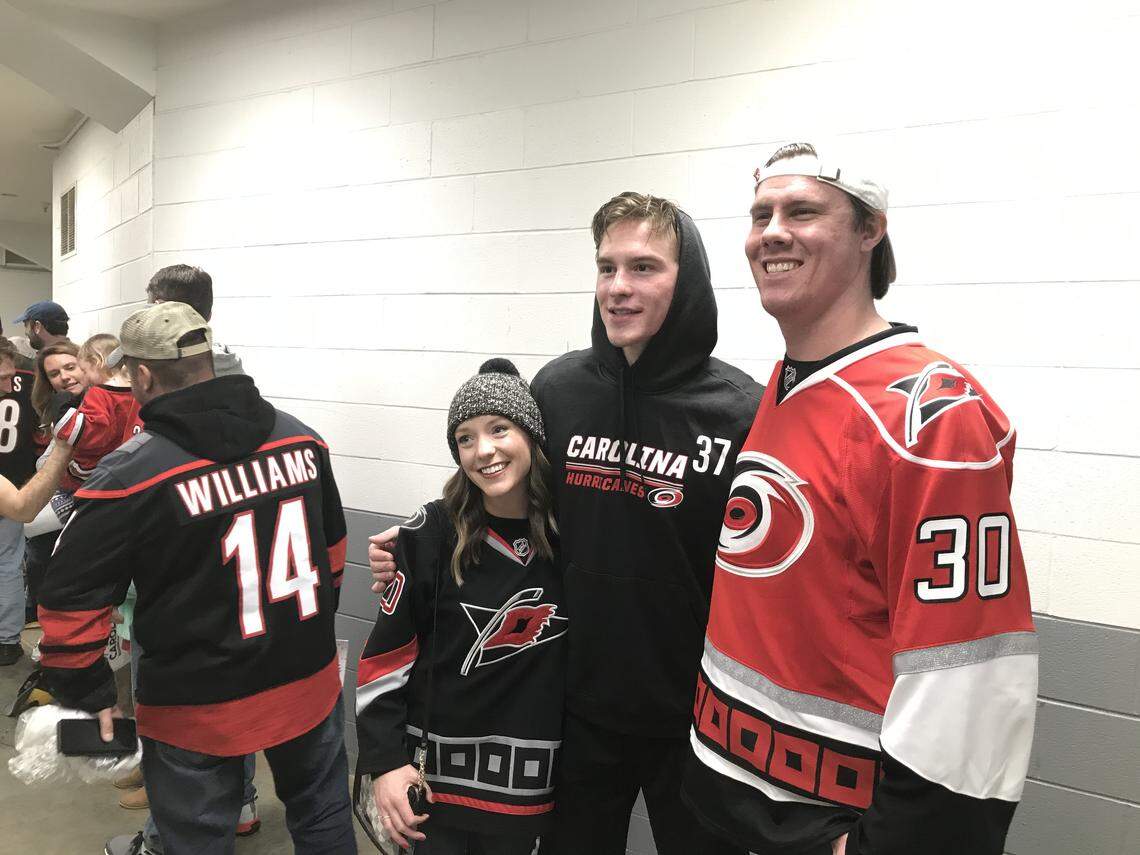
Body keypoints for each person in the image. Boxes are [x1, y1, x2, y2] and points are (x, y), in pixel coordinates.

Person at [373, 193, 763, 855]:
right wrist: (417, 543)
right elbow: (500, 481)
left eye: (643, 267)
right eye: (607, 267)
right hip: (576, 712)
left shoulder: (740, 412)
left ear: (688, 280)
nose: (618, 286)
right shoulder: (559, 389)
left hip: (696, 723)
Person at [681, 143, 1038, 855]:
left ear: (870, 229)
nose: (771, 232)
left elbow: (970, 678)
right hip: (734, 795)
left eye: (801, 211)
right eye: (760, 214)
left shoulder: (931, 413)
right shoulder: (789, 380)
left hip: (825, 818)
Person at [36, 302, 356, 855]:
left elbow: (69, 598)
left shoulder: (130, 473)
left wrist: (88, 693)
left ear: (142, 375)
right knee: (324, 818)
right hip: (307, 681)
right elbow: (332, 555)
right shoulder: (304, 440)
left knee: (195, 840)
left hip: (196, 705)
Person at [357, 358, 564, 854]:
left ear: (531, 435)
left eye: (499, 429)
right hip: (432, 782)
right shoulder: (429, 534)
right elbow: (383, 660)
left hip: (526, 786)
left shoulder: (573, 534)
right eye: (465, 438)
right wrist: (385, 763)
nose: (483, 450)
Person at [114, 263, 258, 835]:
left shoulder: (213, 374)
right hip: (196, 553)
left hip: (195, 555)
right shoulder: (220, 377)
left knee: (192, 696)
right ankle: (204, 796)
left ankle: (191, 815)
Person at [0, 336, 72, 666]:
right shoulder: (31, 380)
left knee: (9, 563)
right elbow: (41, 437)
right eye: (3, 377)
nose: (8, 384)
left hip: (17, 489)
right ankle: (7, 640)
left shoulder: (29, 378)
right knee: (8, 564)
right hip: (17, 484)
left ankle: (7, 639)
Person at [22, 341, 87, 624]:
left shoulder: (104, 403)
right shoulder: (61, 406)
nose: (65, 377)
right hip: (71, 495)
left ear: (86, 365)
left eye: (70, 367)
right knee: (34, 541)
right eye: (55, 374)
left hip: (95, 501)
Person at [146, 263, 243, 376]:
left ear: (159, 310)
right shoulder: (230, 363)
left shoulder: (158, 373)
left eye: (148, 309)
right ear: (209, 316)